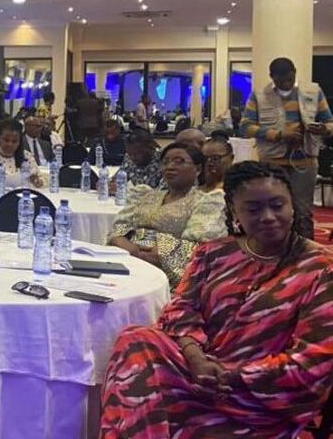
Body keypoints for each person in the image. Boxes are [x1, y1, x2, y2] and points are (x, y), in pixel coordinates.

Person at [99, 161, 333, 439]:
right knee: (135, 340)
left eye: (277, 205)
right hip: (196, 371)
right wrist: (195, 357)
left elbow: (315, 359)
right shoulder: (214, 252)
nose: (268, 217)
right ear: (234, 211)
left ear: (292, 206)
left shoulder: (321, 268)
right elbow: (182, 308)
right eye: (253, 209)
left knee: (142, 400)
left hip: (258, 395)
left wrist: (229, 375)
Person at [106, 143, 227, 287]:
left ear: (198, 169)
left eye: (179, 161)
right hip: (127, 259)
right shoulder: (145, 195)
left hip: (166, 274)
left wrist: (158, 252)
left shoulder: (205, 202)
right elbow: (119, 227)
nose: (170, 166)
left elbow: (199, 246)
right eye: (166, 162)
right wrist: (124, 244)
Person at [239, 57, 333, 240]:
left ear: (295, 73)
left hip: (305, 161)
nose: (285, 84)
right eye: (280, 81)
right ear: (271, 77)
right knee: (272, 210)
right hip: (272, 161)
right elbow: (245, 127)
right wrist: (278, 135)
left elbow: (329, 122)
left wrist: (324, 130)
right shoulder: (259, 95)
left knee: (303, 212)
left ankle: (305, 252)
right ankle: (274, 249)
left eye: (289, 79)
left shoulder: (313, 91)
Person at [0, 119, 45, 192]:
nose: (10, 144)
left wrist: (36, 181)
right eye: (6, 140)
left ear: (19, 142)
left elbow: (41, 182)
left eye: (14, 141)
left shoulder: (27, 156)